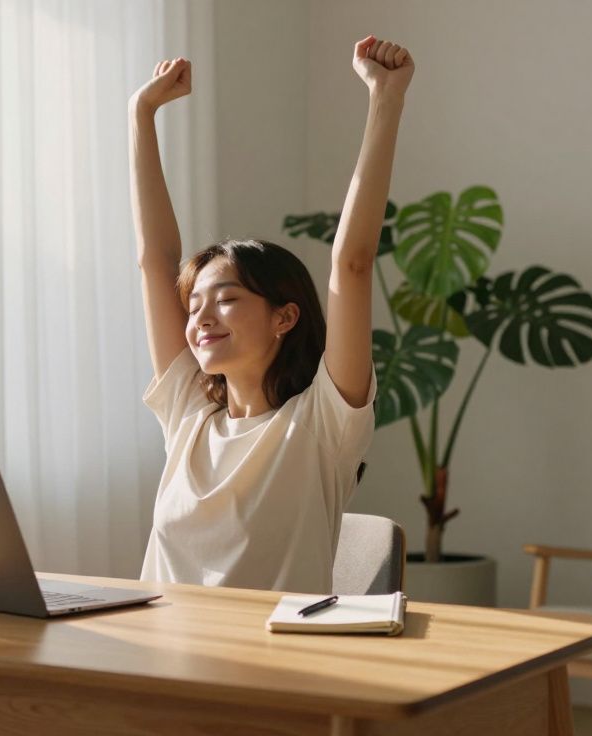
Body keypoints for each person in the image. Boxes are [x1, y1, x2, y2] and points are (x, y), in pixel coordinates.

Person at [128, 36, 414, 593]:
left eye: (228, 298)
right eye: (194, 305)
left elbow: (352, 263)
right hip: (159, 659)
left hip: (266, 670)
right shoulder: (188, 414)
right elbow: (154, 261)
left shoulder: (321, 426)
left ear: (285, 317)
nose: (202, 317)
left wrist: (387, 98)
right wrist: (141, 114)